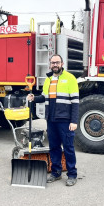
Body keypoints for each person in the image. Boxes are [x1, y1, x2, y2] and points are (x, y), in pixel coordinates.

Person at [28, 54, 79, 186]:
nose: (54, 65)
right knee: (54, 147)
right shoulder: (48, 79)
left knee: (68, 147)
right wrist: (34, 98)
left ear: (62, 64)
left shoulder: (70, 78)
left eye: (57, 62)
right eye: (52, 63)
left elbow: (75, 102)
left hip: (65, 120)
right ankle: (56, 172)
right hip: (51, 119)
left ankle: (72, 174)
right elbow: (45, 97)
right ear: (50, 65)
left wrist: (74, 121)